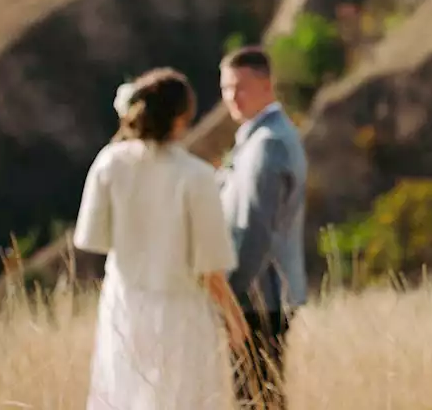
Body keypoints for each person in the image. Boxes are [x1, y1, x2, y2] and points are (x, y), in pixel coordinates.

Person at [74, 68, 249, 410]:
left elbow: (91, 238)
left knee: (122, 398)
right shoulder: (197, 177)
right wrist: (235, 319)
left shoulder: (109, 163)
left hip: (123, 305)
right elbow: (210, 268)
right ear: (182, 118)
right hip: (181, 311)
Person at [218, 45, 309, 409]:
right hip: (263, 295)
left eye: (241, 86)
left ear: (267, 86)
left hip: (261, 296)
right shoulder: (261, 137)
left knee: (256, 399)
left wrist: (230, 296)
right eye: (226, 88)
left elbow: (256, 232)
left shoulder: (268, 144)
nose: (232, 97)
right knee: (260, 396)